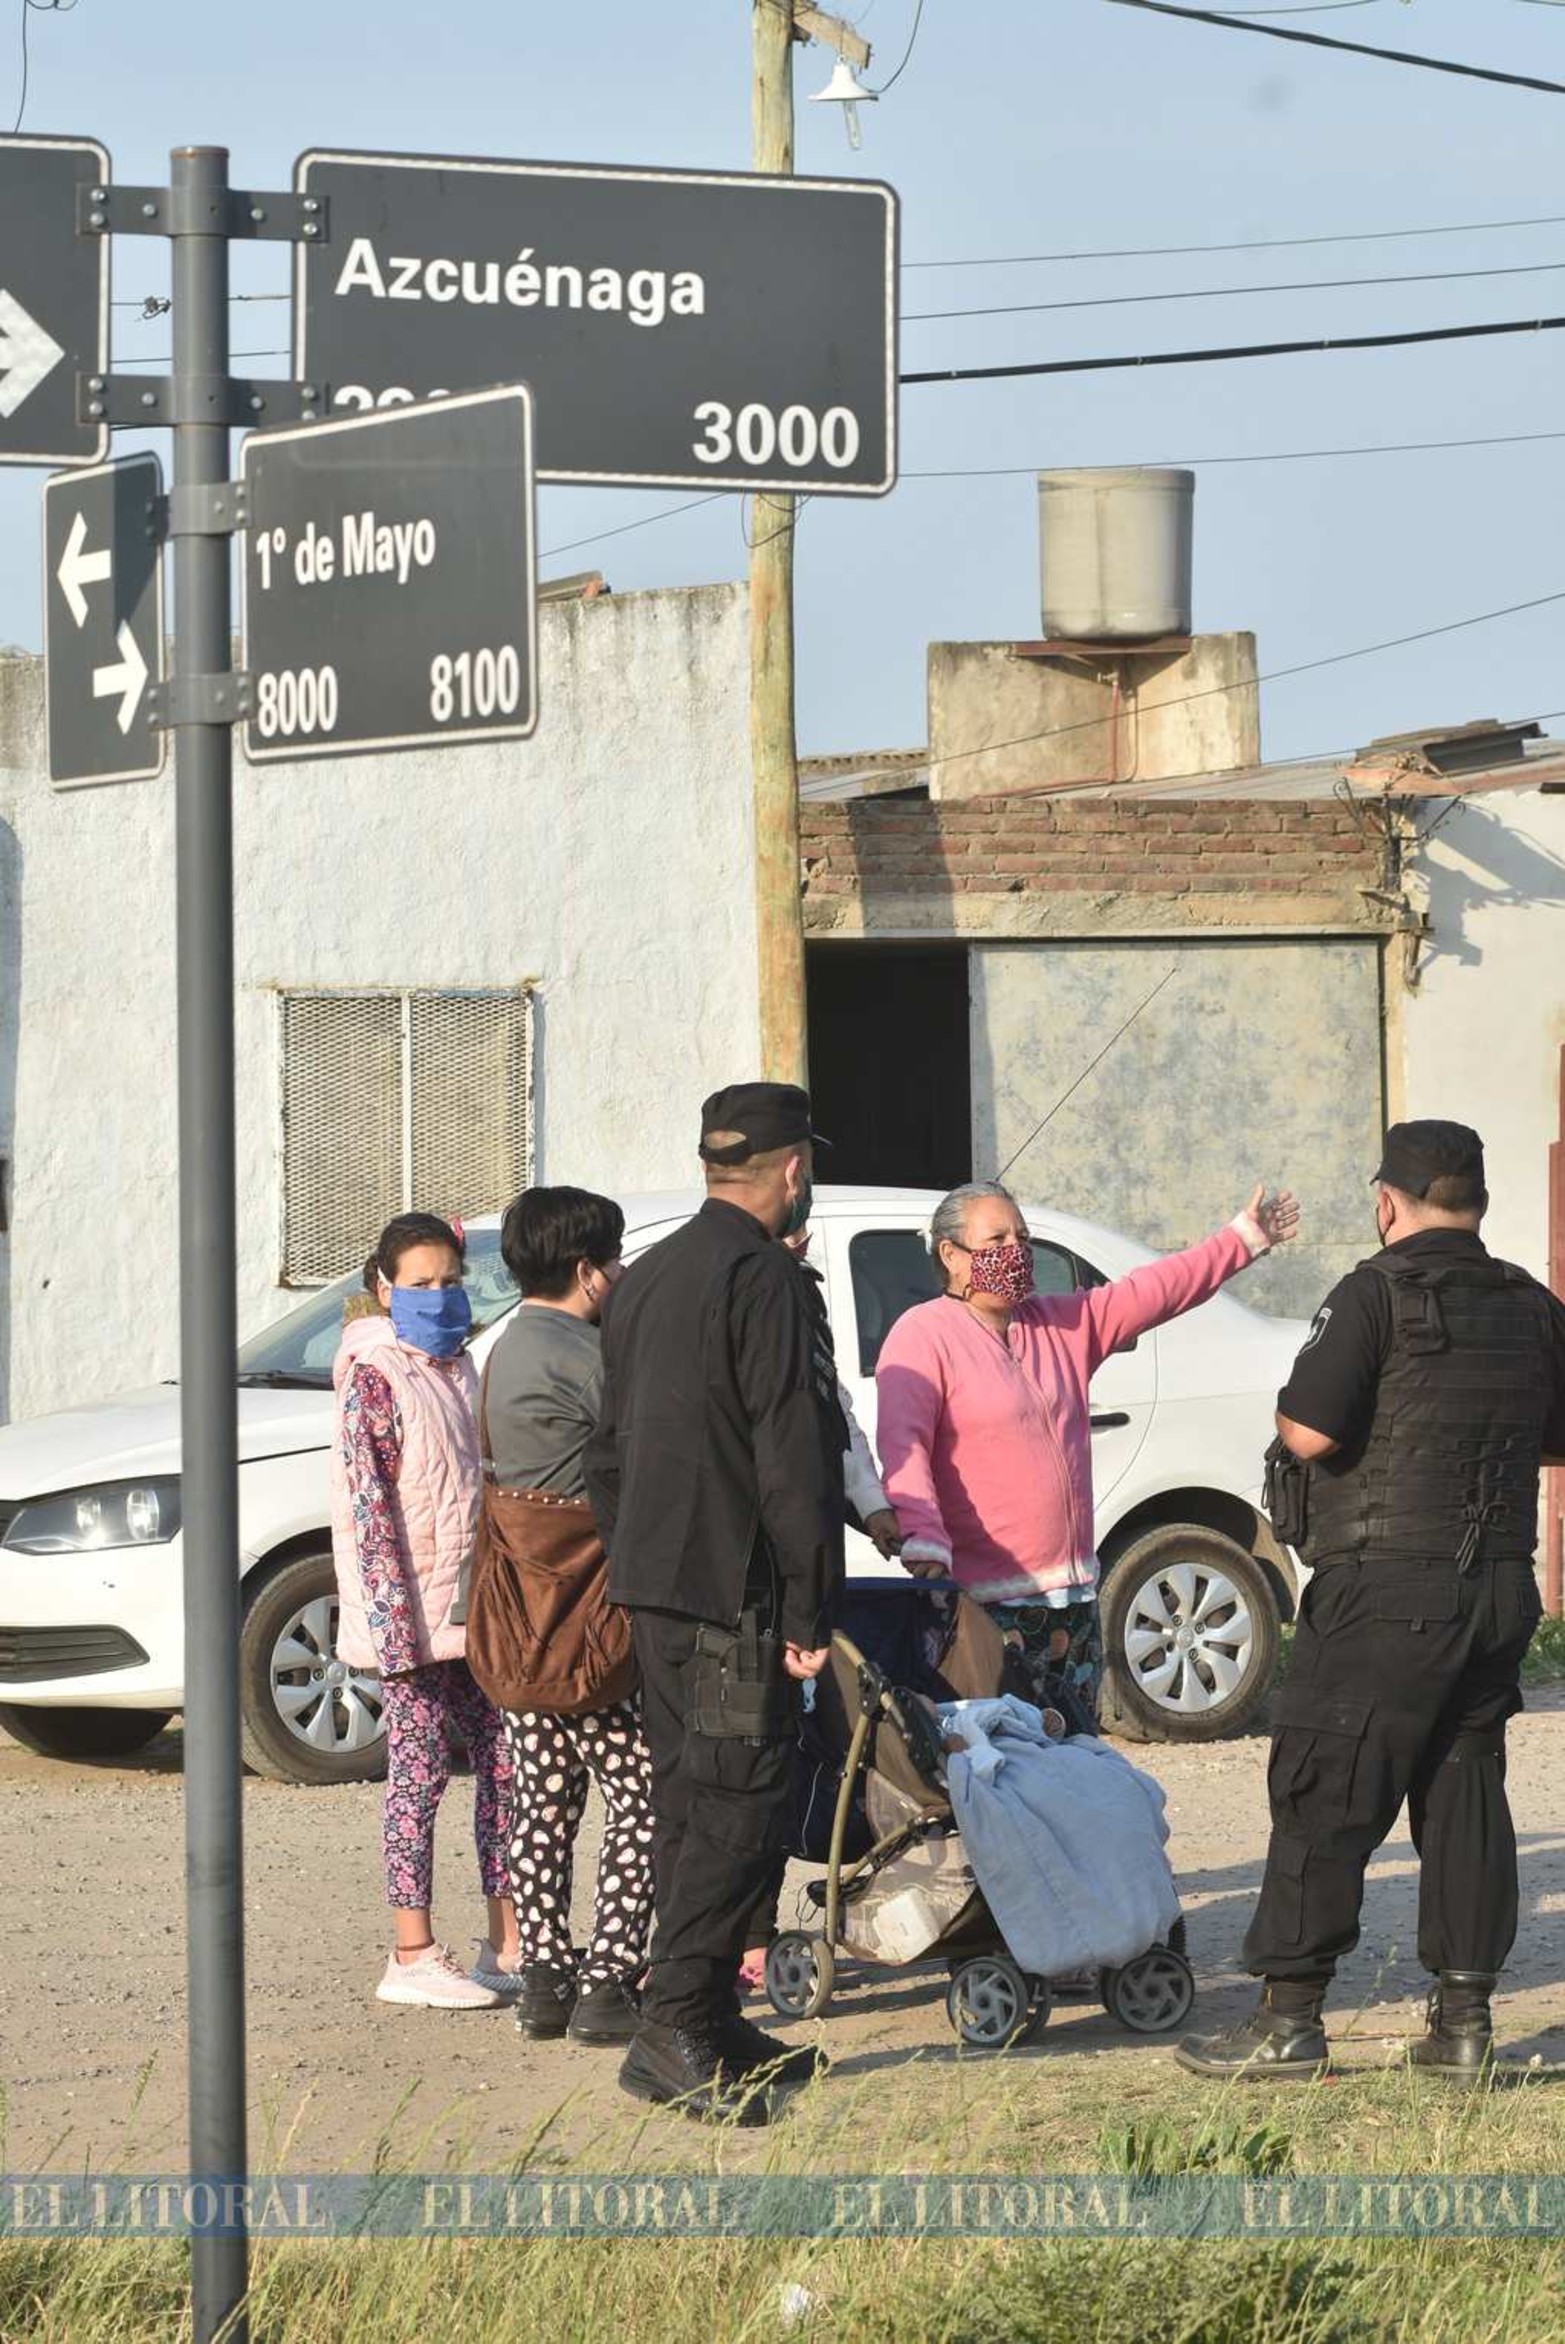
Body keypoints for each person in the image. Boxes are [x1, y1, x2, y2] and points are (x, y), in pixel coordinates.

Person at [1178, 1121, 1565, 2082]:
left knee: (1323, 1788)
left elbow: (1307, 1432)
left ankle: (1288, 2023)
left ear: (1384, 1201)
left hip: (1383, 1589)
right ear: (1474, 1204)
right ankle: (1463, 2027)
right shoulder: (1531, 1303)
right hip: (1497, 1593)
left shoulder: (1372, 1293)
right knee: (1463, 1791)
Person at [586, 1082, 846, 2122]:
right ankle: (676, 2022)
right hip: (732, 1589)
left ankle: (710, 2021)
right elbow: (794, 1455)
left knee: (698, 1797)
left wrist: (637, 1560)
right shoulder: (764, 1282)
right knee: (740, 1796)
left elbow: (602, 1452)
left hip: (656, 1586)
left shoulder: (643, 1278)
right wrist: (806, 1608)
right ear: (791, 1171)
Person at [875, 1177, 1299, 1724]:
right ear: (952, 1256)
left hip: (1071, 1605)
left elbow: (1156, 1290)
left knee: (1075, 1759)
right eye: (997, 1240)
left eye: (1022, 1239)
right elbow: (904, 1447)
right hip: (987, 1607)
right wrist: (925, 1538)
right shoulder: (922, 1336)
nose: (1015, 1253)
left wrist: (1240, 1240)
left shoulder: (1062, 1324)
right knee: (1004, 1767)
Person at [484, 1185, 656, 2048]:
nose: (620, 1275)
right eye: (615, 1261)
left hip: (518, 1618)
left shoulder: (505, 1348)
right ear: (589, 1272)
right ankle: (610, 1980)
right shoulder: (589, 1361)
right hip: (588, 1620)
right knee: (644, 1794)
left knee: (543, 1801)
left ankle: (544, 1979)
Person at [330, 1211, 515, 2009]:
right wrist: (395, 1634)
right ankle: (411, 1951)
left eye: (449, 1282)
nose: (439, 1297)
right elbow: (368, 1513)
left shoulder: (460, 1367)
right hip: (408, 1623)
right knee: (418, 1776)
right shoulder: (373, 1376)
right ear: (383, 1288)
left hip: (474, 1615)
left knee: (505, 1770)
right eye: (419, 1285)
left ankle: (507, 1943)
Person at [735, 1222, 902, 1995]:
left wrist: (873, 1511)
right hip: (746, 1581)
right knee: (750, 1763)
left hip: (807, 1580)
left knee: (801, 1756)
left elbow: (838, 1429)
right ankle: (747, 1935)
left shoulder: (807, 1333)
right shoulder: (735, 1324)